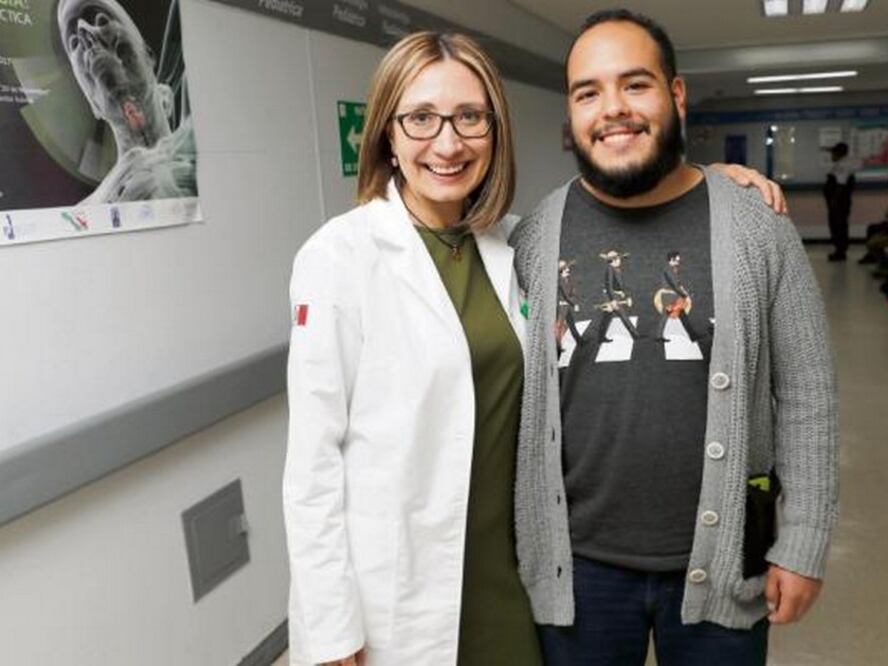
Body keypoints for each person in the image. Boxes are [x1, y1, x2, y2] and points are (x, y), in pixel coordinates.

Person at [283, 29, 785, 666]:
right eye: (420, 118)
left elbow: (630, 213)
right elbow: (312, 465)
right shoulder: (340, 257)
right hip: (400, 584)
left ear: (495, 130)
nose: (448, 142)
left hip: (513, 572)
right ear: (386, 131)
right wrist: (331, 626)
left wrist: (710, 182)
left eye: (470, 117)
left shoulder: (516, 244)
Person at [509, 10, 839, 666]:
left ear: (676, 95)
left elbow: (807, 393)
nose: (613, 110)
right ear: (571, 114)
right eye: (588, 92)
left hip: (723, 559)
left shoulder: (756, 227)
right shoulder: (534, 237)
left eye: (636, 85)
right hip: (577, 569)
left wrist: (802, 542)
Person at [57, 0, 196, 204]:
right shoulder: (92, 209)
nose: (84, 31)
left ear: (148, 56)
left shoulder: (198, 153)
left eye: (100, 19)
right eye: (74, 43)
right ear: (91, 103)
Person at [822, 141, 855, 262]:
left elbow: (841, 185)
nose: (831, 156)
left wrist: (834, 201)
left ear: (839, 153)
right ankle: (839, 249)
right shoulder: (840, 164)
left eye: (833, 153)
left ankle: (840, 251)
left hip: (839, 203)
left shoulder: (843, 165)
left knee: (839, 225)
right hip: (837, 202)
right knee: (837, 225)